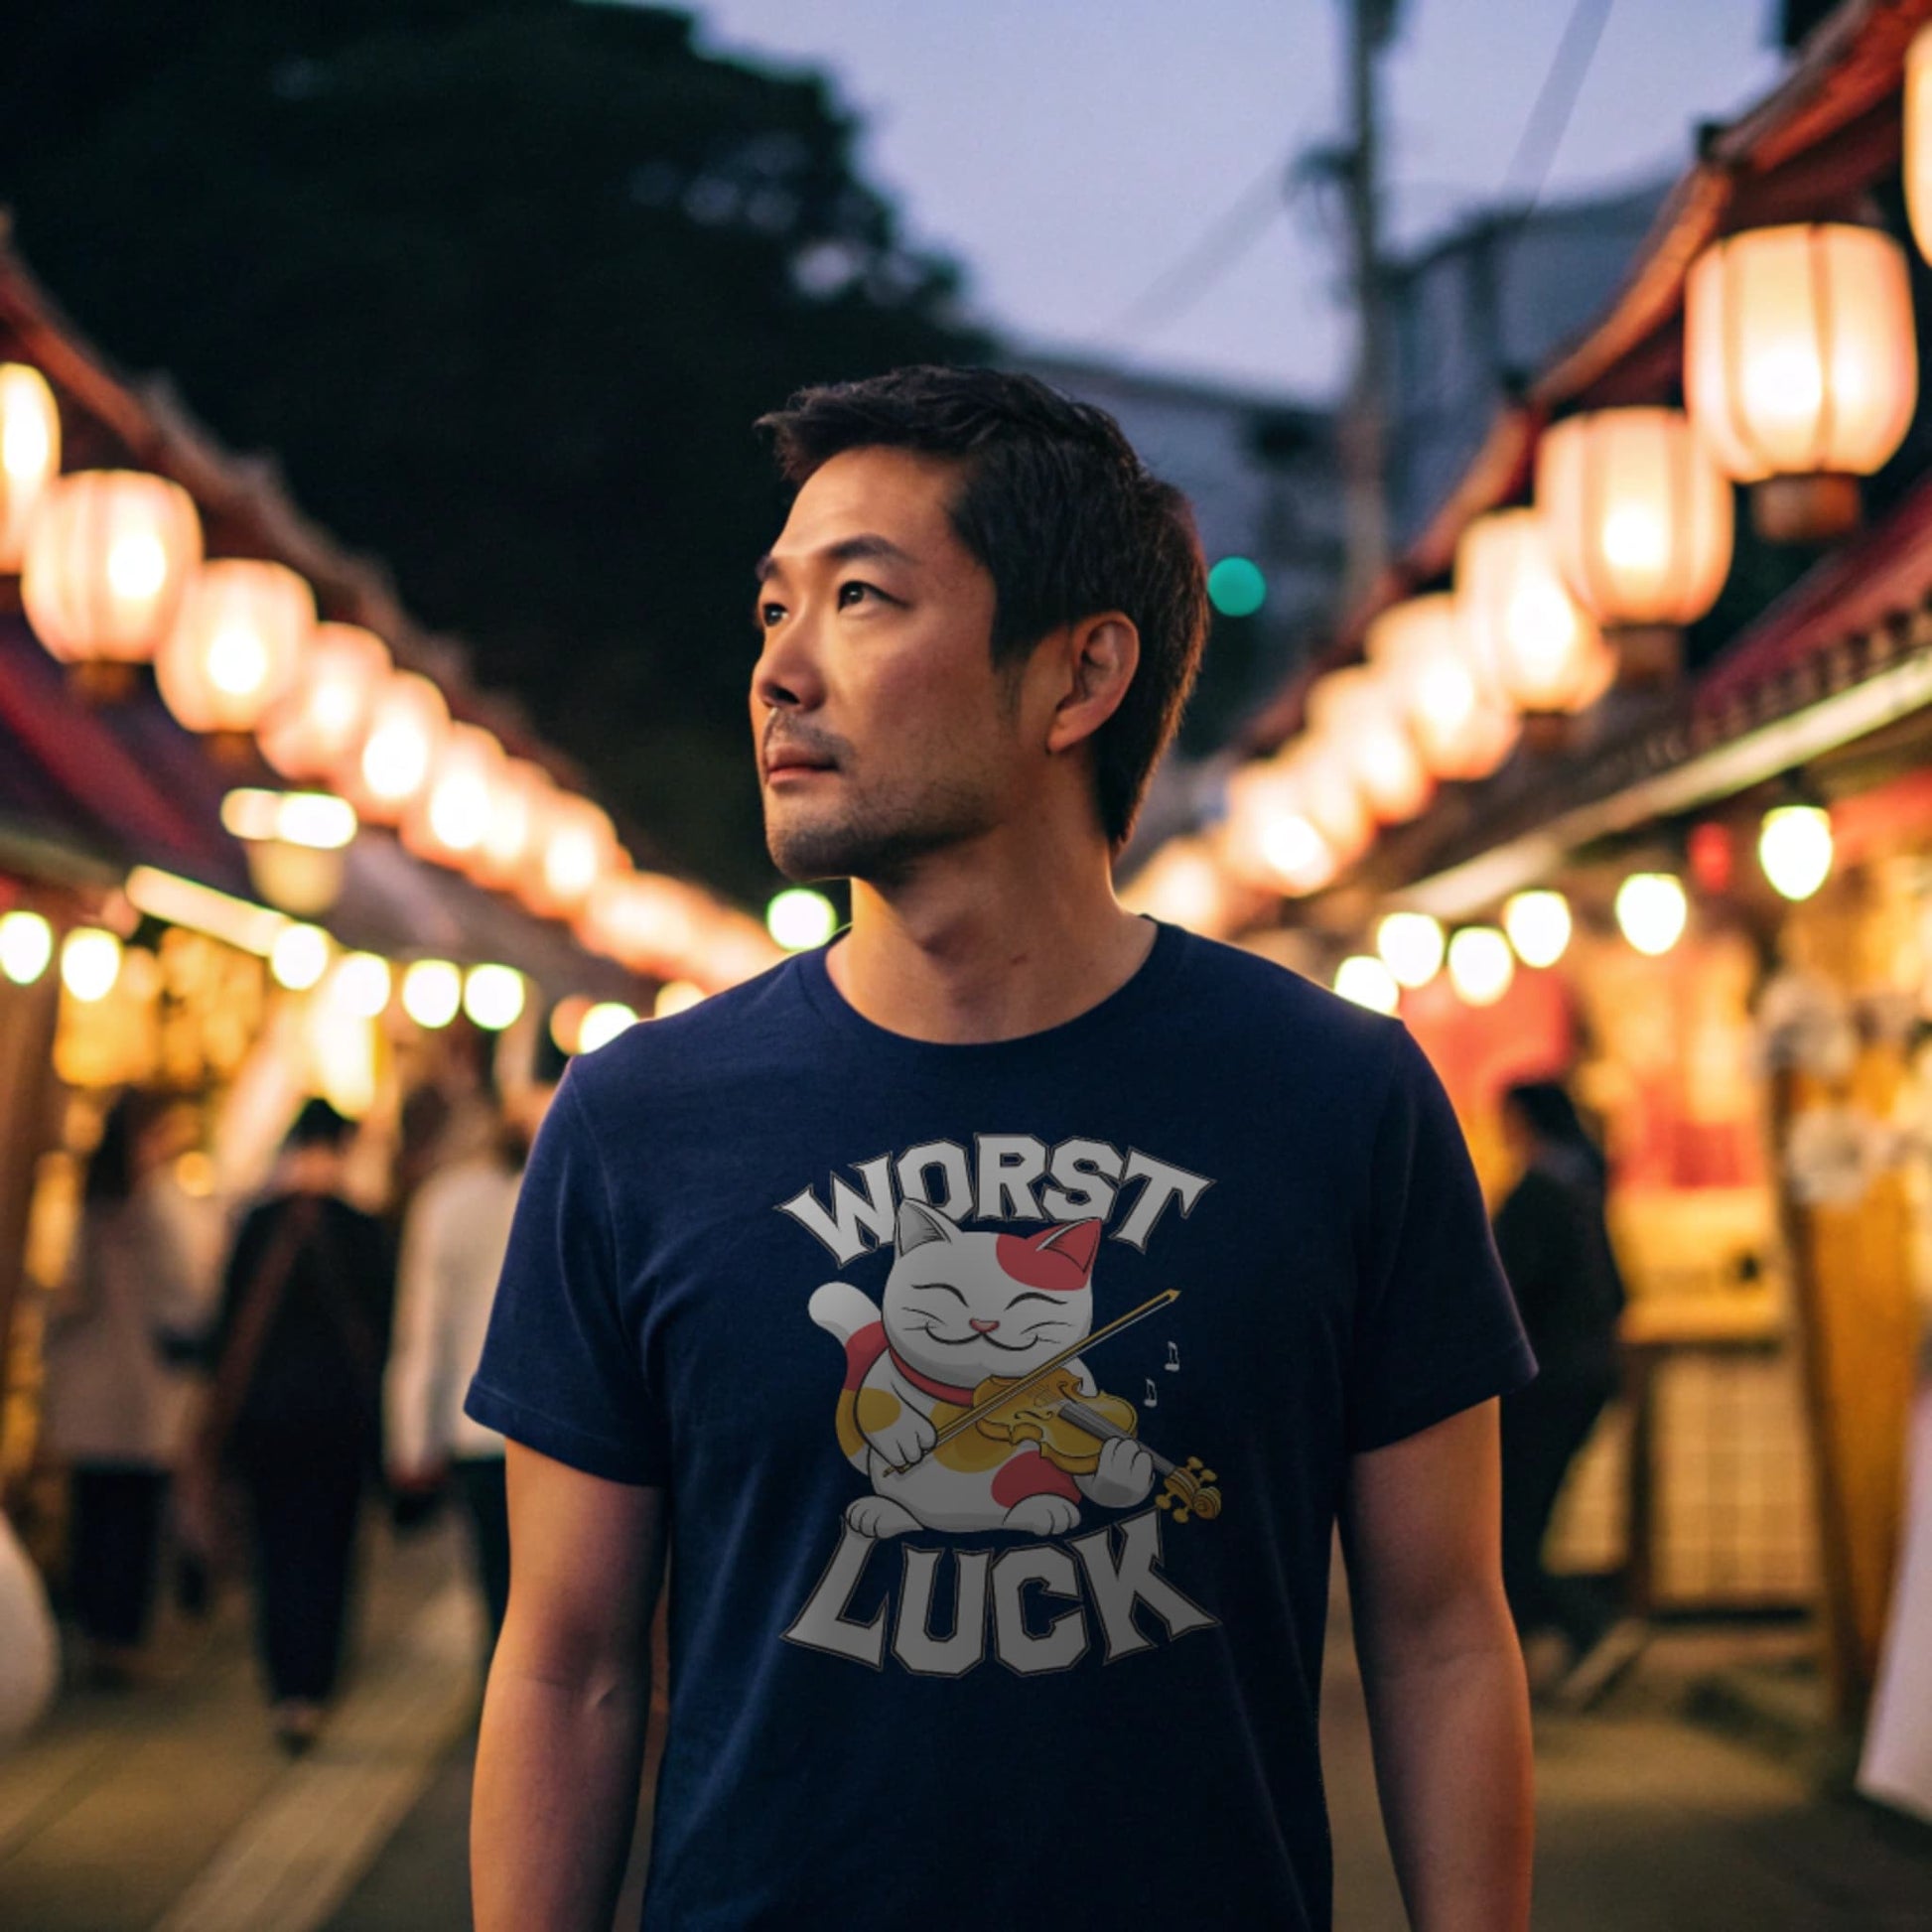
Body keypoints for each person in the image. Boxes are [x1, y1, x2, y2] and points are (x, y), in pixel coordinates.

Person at [467, 367, 1539, 1931]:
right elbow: (565, 1661)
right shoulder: (638, 1120)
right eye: (772, 611)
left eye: (858, 599)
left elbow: (1442, 1631)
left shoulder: (1336, 1099)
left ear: (1079, 674)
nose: (779, 670)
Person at [202, 1097, 392, 1753]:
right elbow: (385, 1331)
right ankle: (316, 1684)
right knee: (331, 1553)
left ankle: (284, 1688)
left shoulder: (257, 1224)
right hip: (339, 1420)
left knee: (275, 1551)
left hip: (266, 1421)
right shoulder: (362, 1227)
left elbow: (225, 1326)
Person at [42, 1092, 211, 1685]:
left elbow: (64, 1289)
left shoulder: (88, 1203)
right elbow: (186, 1293)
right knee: (134, 1522)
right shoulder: (159, 1203)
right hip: (140, 1393)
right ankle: (121, 1639)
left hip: (88, 1389)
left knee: (94, 1515)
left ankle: (95, 1634)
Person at [1492, 1079, 1641, 1711]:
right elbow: (1621, 1290)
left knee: (1511, 1531)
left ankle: (1591, 1627)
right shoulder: (1585, 1186)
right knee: (1522, 1523)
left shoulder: (1539, 1194)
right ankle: (1516, 1658)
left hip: (1544, 1384)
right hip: (1588, 1377)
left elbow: (1499, 1295)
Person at [385, 1101, 540, 1663]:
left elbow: (422, 1331)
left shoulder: (444, 1203)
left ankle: (497, 1694)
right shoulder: (556, 1190)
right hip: (550, 1425)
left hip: (470, 1423)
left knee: (493, 1575)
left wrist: (411, 1437)